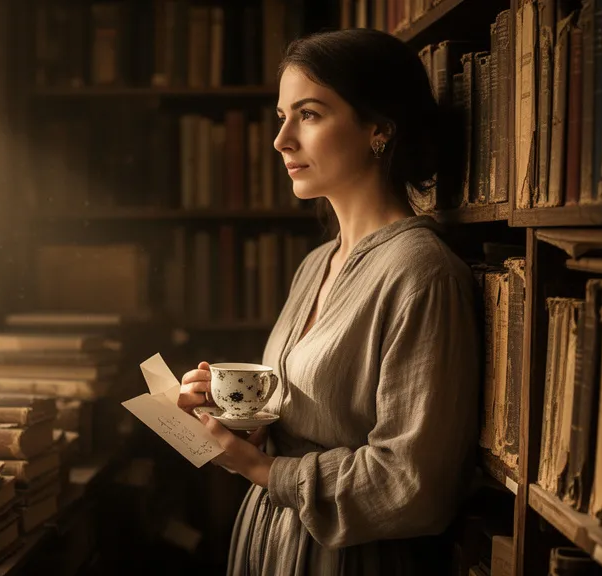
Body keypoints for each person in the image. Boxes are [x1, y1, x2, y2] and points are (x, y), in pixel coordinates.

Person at [177, 29, 480, 576]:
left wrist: (258, 467)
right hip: (270, 539)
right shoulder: (316, 263)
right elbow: (306, 418)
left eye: (309, 114)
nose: (281, 140)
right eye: (281, 116)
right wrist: (234, 419)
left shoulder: (422, 274)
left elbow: (413, 483)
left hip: (350, 558)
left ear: (379, 130)